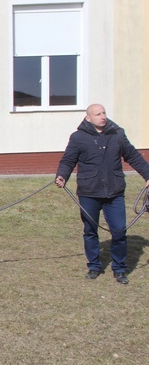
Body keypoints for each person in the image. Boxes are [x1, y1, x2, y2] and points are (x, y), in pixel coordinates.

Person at [55, 104, 149, 284]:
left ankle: (120, 269)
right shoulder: (78, 138)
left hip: (114, 192)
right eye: (98, 114)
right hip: (88, 192)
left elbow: (133, 156)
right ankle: (94, 266)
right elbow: (68, 160)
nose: (103, 116)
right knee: (90, 231)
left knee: (119, 231)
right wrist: (62, 176)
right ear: (88, 118)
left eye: (104, 113)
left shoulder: (117, 134)